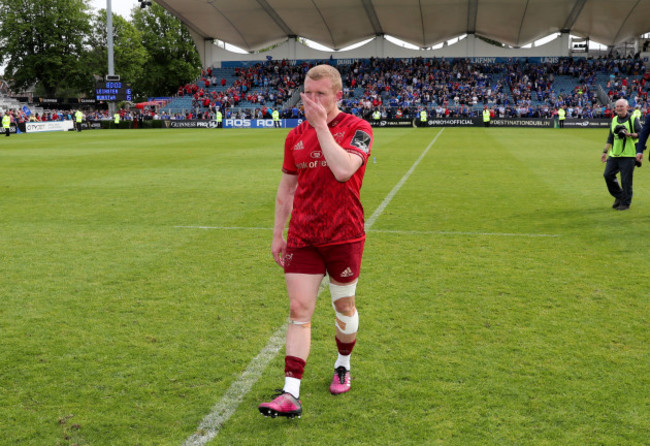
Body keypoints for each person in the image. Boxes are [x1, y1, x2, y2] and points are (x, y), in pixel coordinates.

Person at [258, 64, 373, 419]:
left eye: (320, 94)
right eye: (308, 93)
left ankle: (342, 363)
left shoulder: (359, 129)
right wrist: (278, 233)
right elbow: (287, 188)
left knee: (344, 309)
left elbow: (343, 171)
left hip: (344, 235)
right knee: (298, 310)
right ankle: (291, 392)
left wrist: (321, 125)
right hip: (304, 235)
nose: (311, 100)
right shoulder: (294, 137)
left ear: (338, 95)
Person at [601, 98, 642, 211]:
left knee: (626, 180)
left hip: (628, 155)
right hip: (614, 154)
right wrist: (605, 152)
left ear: (627, 107)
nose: (619, 108)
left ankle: (625, 203)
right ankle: (619, 196)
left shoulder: (633, 119)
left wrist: (629, 134)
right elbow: (610, 137)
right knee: (607, 175)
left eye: (621, 106)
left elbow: (641, 134)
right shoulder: (614, 119)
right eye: (617, 106)